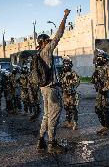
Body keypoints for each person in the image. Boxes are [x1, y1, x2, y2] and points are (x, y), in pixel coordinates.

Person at [36, 9, 70, 154]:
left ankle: (40, 141)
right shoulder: (46, 51)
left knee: (46, 115)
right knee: (54, 114)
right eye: (48, 41)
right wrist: (65, 16)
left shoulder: (37, 54)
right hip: (51, 89)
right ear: (44, 42)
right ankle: (52, 143)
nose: (50, 42)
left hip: (43, 88)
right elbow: (59, 34)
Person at [91, 49, 109, 136]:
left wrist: (104, 89)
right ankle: (104, 126)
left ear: (105, 59)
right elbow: (95, 81)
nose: (98, 59)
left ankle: (107, 128)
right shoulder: (99, 68)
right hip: (100, 93)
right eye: (98, 58)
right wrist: (94, 78)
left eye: (100, 58)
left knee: (106, 110)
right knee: (98, 109)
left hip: (106, 93)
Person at [60, 57, 80, 130]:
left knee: (73, 108)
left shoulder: (73, 73)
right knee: (67, 108)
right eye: (65, 64)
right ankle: (68, 122)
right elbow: (61, 82)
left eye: (67, 64)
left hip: (72, 95)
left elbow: (77, 82)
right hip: (65, 94)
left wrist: (71, 85)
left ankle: (75, 123)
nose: (66, 66)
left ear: (70, 65)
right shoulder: (63, 73)